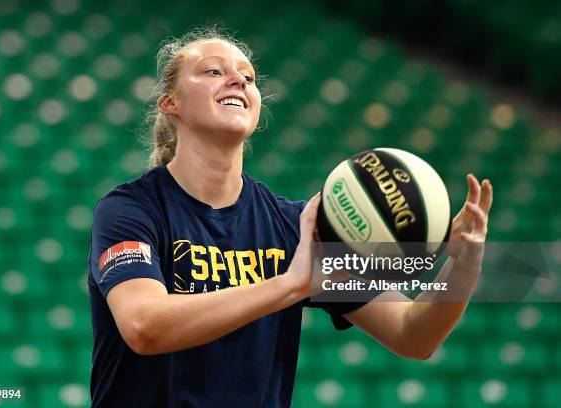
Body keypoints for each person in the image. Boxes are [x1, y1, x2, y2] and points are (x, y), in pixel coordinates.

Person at [87, 27, 493, 407]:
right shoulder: (129, 210)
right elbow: (144, 325)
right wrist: (291, 284)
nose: (239, 82)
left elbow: (414, 335)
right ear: (169, 102)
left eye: (248, 77)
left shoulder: (295, 226)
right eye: (213, 71)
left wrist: (462, 264)